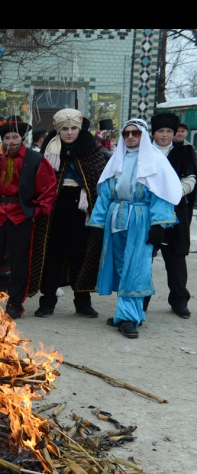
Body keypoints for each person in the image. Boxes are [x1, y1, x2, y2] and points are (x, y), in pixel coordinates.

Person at [87, 119, 183, 339]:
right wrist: (97, 222)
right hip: (115, 220)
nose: (130, 137)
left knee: (136, 267)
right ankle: (126, 314)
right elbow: (105, 195)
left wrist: (159, 225)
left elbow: (162, 195)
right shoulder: (116, 161)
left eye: (135, 133)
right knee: (120, 265)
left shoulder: (156, 161)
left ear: (143, 135)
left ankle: (130, 318)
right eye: (126, 133)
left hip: (140, 220)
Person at [32, 109, 108, 319]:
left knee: (80, 255)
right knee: (53, 255)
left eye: (73, 128)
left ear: (79, 129)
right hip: (55, 209)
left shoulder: (91, 151)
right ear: (58, 130)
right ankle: (47, 302)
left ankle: (83, 302)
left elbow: (98, 181)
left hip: (82, 209)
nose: (69, 133)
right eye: (64, 129)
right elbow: (40, 181)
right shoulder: (49, 150)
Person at [0, 117, 56, 320]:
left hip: (20, 215)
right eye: (7, 137)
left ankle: (15, 304)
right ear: (3, 140)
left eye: (15, 136)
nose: (11, 141)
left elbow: (48, 188)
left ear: (21, 137)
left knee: (19, 262)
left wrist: (36, 211)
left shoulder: (35, 159)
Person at [149, 113, 197, 319]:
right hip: (148, 211)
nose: (165, 135)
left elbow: (191, 178)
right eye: (161, 131)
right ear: (154, 132)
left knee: (176, 257)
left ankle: (179, 300)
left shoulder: (184, 152)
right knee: (144, 257)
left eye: (169, 131)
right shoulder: (144, 152)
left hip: (177, 209)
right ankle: (139, 301)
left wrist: (177, 190)